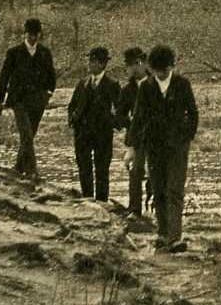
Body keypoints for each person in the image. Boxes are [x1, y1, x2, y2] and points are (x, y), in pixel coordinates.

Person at [131, 44, 198, 253]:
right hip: (154, 146)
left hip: (177, 147)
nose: (161, 74)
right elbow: (138, 117)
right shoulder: (146, 87)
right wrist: (132, 147)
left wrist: (185, 138)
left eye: (165, 70)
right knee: (158, 189)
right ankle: (162, 233)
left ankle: (175, 237)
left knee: (174, 190)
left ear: (171, 66)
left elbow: (193, 114)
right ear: (152, 68)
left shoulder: (182, 84)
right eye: (158, 70)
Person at [0, 17, 57, 180]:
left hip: (38, 101)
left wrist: (48, 94)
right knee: (26, 135)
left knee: (30, 135)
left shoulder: (45, 53)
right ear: (25, 33)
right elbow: (4, 77)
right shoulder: (14, 53)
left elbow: (52, 76)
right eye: (30, 34)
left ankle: (18, 169)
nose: (33, 38)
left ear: (39, 35)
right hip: (18, 100)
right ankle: (32, 171)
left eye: (36, 34)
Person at [66, 46, 120, 202]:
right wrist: (72, 119)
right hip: (82, 132)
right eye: (90, 60)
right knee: (83, 166)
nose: (90, 64)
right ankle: (87, 198)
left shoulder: (112, 84)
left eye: (93, 61)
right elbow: (72, 105)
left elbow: (120, 108)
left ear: (102, 64)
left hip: (103, 133)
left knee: (102, 168)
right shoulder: (82, 83)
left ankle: (102, 201)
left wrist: (111, 122)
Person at [115, 47, 152, 218]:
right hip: (137, 138)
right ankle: (135, 209)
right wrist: (130, 122)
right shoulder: (127, 90)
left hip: (156, 137)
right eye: (129, 66)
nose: (131, 69)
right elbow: (119, 116)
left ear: (142, 63)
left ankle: (158, 208)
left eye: (134, 64)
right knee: (136, 171)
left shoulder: (156, 84)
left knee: (158, 173)